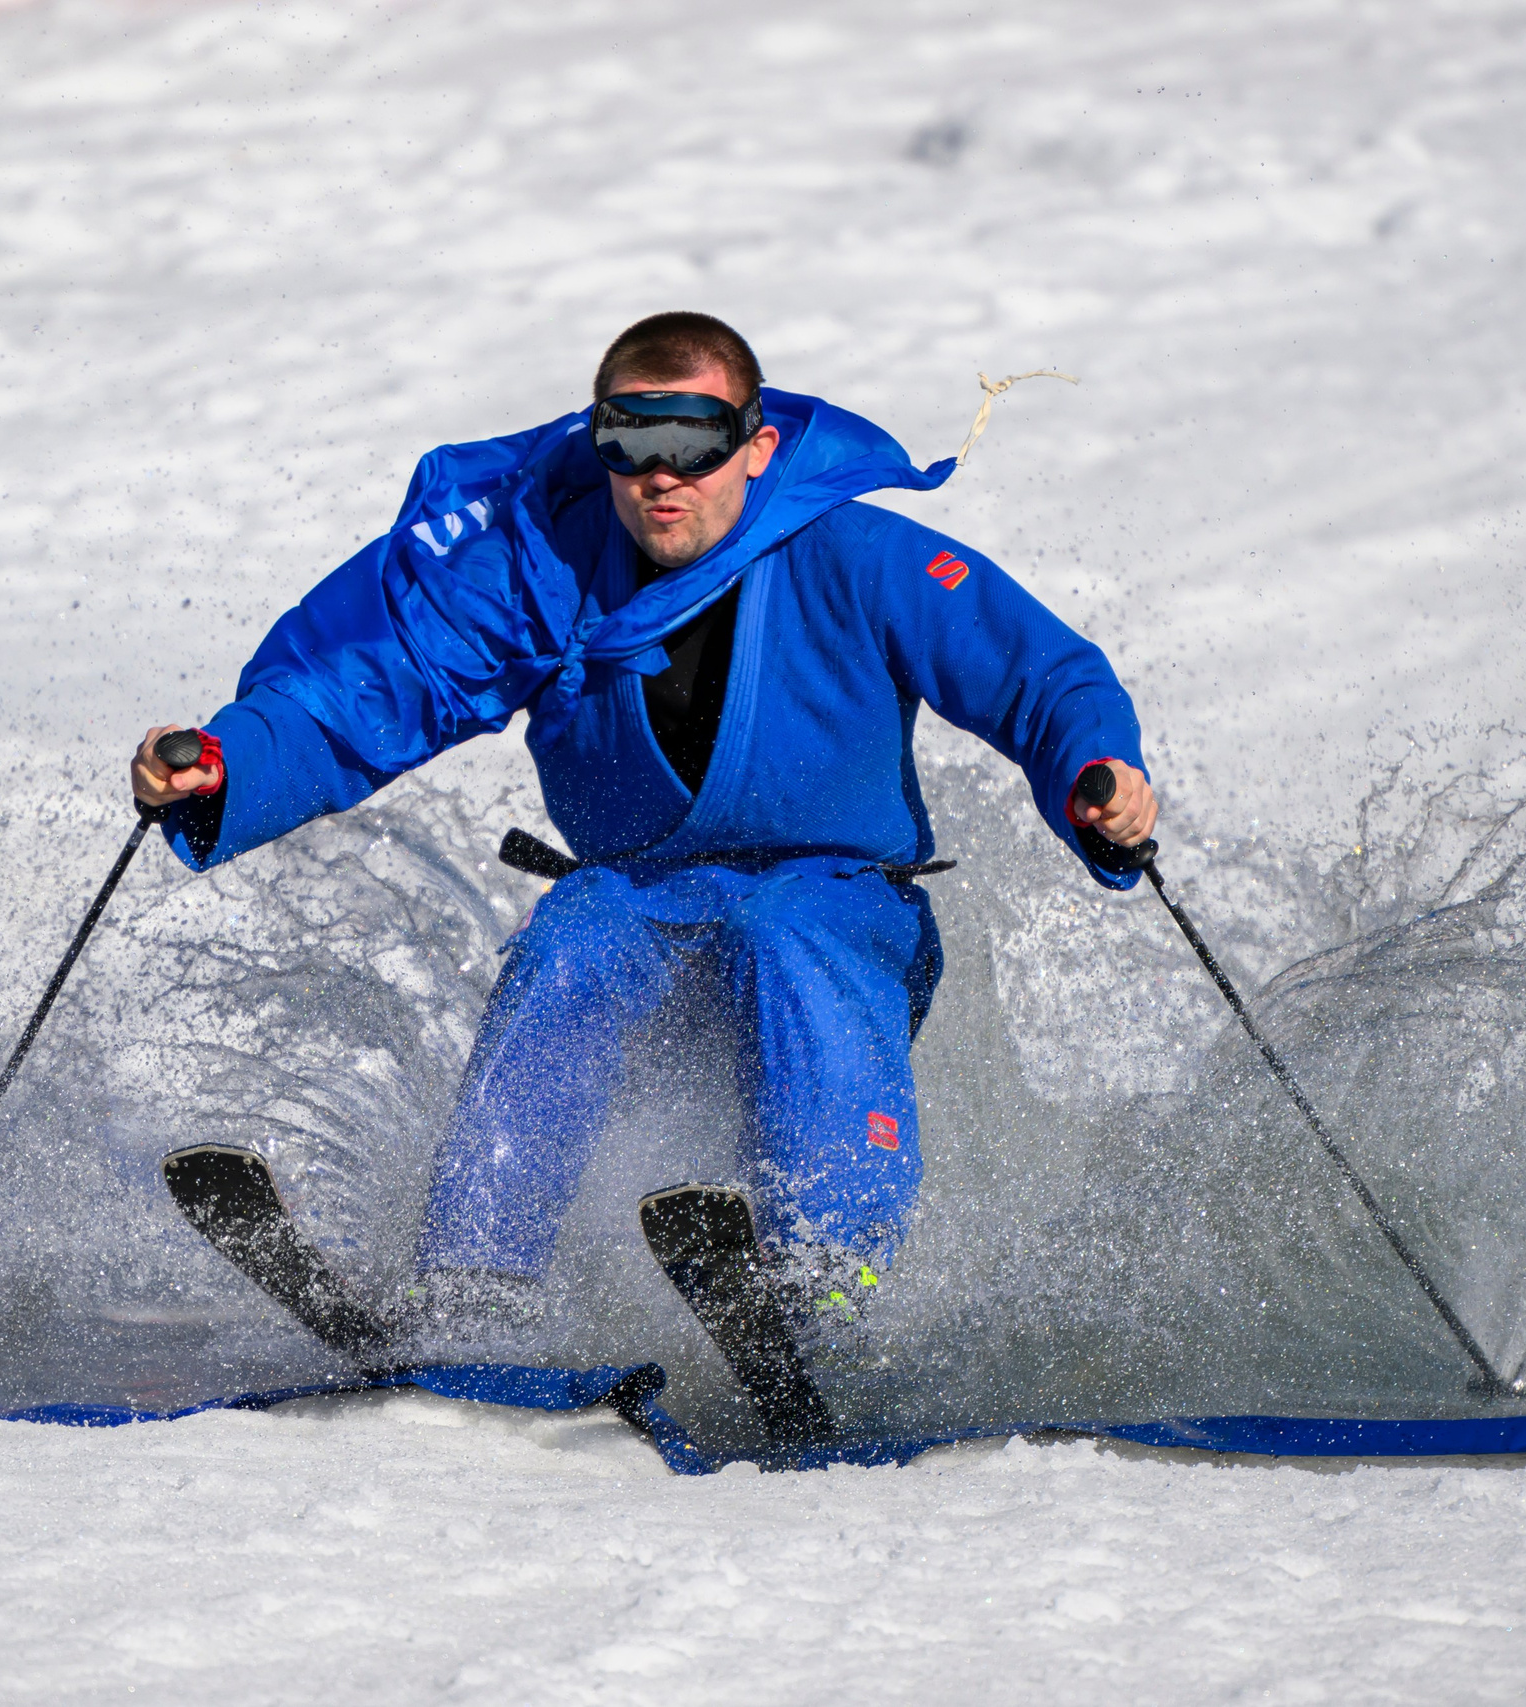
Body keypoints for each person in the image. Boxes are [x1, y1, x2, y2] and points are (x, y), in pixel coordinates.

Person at [130, 312, 1156, 1366]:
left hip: (835, 899)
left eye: (695, 445)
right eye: (629, 445)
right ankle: (477, 1282)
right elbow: (376, 686)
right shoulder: (545, 572)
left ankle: (826, 1278)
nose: (661, 478)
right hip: (639, 898)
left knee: (785, 925)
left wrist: (1098, 774)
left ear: (756, 445)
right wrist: (230, 764)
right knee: (574, 927)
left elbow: (1036, 671)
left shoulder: (859, 552)